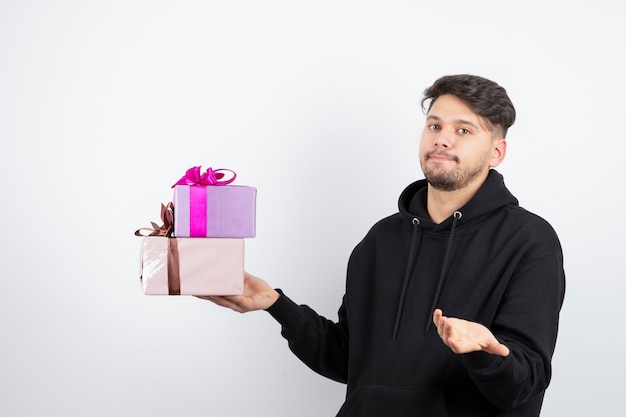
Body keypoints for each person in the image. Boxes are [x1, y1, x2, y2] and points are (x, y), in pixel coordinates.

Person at [199, 74, 566, 417]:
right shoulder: (381, 240)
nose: (442, 138)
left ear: (496, 153)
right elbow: (347, 359)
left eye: (463, 130)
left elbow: (525, 383)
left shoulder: (529, 241)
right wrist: (277, 305)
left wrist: (487, 352)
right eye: (434, 125)